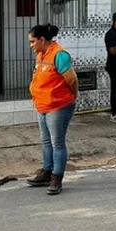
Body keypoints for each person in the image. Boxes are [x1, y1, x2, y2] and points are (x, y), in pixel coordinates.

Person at [26, 23, 79, 195]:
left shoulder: (59, 55)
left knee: (57, 142)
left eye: (33, 41)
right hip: (42, 104)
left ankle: (57, 176)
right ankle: (47, 171)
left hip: (58, 105)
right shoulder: (41, 55)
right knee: (46, 141)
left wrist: (74, 95)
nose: (31, 45)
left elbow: (71, 79)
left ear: (42, 40)